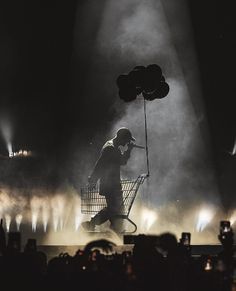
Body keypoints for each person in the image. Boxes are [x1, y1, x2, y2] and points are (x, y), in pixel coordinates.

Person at [81, 127, 135, 232]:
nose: (128, 142)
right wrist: (93, 180)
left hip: (112, 184)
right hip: (110, 185)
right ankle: (92, 223)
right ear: (122, 138)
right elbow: (100, 165)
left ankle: (115, 229)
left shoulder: (113, 146)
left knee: (117, 210)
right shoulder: (110, 148)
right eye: (127, 140)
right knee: (114, 209)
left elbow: (118, 161)